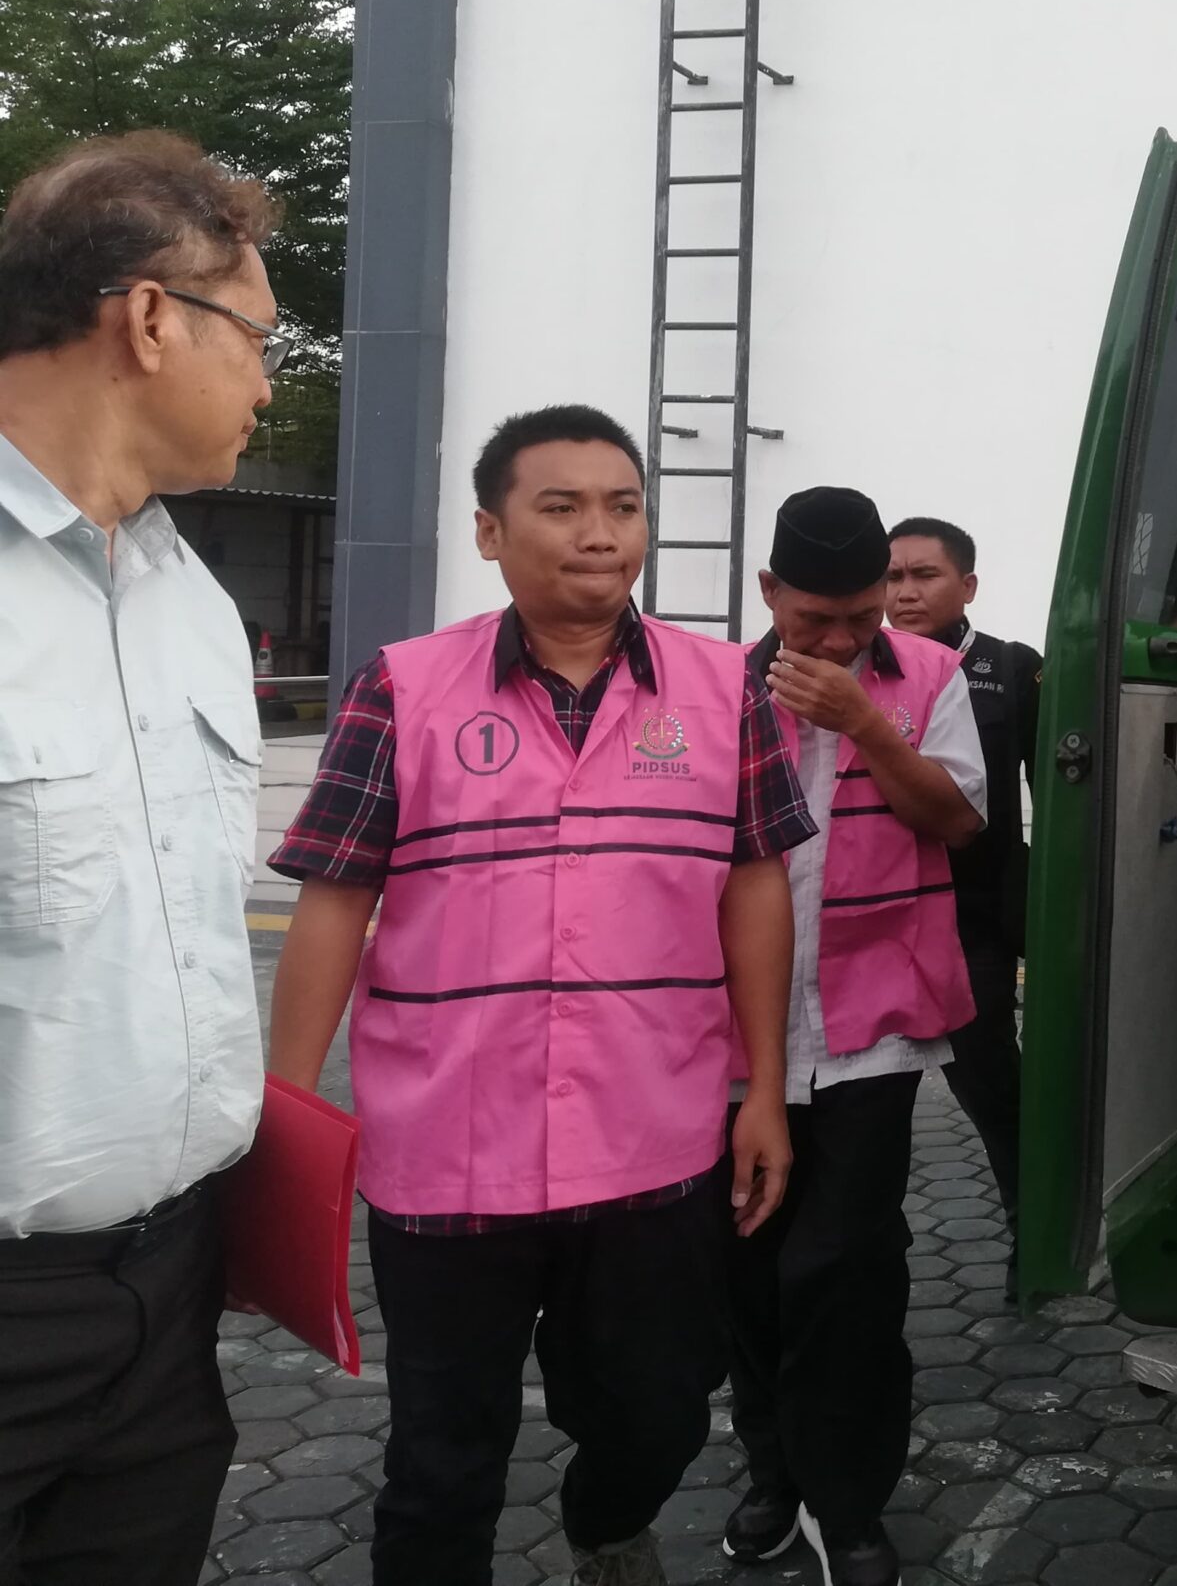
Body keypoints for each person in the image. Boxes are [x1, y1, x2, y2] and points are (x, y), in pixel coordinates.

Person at [264, 404, 807, 1586]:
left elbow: (757, 886)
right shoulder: (403, 685)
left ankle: (607, 1521)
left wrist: (763, 1086)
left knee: (658, 1407)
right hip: (450, 1146)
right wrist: (289, 1116)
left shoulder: (726, 687)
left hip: (652, 1137)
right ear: (490, 530)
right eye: (560, 506)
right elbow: (335, 898)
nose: (599, 533)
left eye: (622, 506)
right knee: (441, 1453)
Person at [0, 134, 282, 1584]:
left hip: (171, 1292)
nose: (269, 384)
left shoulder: (192, 600)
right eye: (259, 336)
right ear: (152, 318)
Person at [721, 488, 986, 1585]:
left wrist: (866, 722)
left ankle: (849, 1497)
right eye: (813, 618)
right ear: (769, 592)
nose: (838, 640)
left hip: (873, 1029)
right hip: (733, 1040)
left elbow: (958, 820)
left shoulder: (928, 676)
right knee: (747, 1270)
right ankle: (774, 1472)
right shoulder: (714, 687)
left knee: (846, 1268)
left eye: (861, 616)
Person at [884, 517, 1040, 1229]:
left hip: (974, 921)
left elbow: (1062, 797)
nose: (906, 592)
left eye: (925, 575)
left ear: (967, 584)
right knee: (868, 1101)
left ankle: (1029, 1226)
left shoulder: (1011, 670)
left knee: (989, 1085)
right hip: (879, 919)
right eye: (893, 577)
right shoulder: (861, 672)